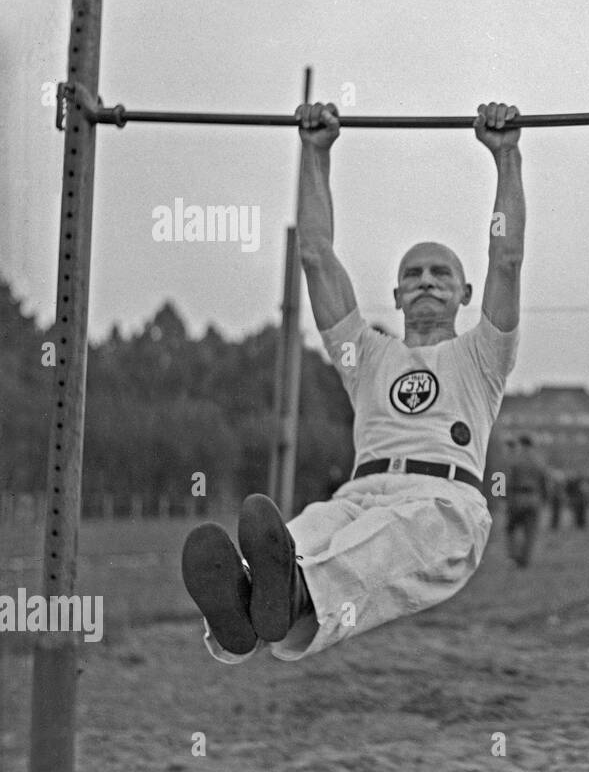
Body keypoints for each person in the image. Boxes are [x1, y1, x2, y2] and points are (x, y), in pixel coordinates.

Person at [180, 99, 526, 662]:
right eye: (412, 274)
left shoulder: (482, 354)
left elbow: (506, 257)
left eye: (442, 273)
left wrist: (506, 157)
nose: (426, 282)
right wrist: (315, 153)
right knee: (307, 533)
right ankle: (239, 618)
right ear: (394, 296)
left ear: (466, 294)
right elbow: (316, 256)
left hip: (442, 504)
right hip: (358, 494)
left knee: (384, 539)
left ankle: (291, 594)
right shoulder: (366, 355)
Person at [505, 435, 549, 567]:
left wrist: (500, 496)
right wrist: (545, 498)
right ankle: (524, 560)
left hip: (516, 497)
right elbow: (545, 481)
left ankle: (513, 556)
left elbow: (501, 476)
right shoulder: (539, 460)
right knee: (530, 531)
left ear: (520, 444)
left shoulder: (513, 459)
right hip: (534, 497)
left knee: (511, 529)